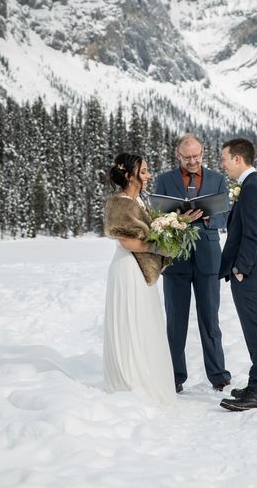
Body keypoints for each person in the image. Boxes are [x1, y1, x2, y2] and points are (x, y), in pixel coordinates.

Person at [154, 134, 231, 393]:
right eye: (187, 157)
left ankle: (218, 375)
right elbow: (156, 217)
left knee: (210, 320)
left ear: (203, 152)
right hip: (176, 258)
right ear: (178, 155)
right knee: (175, 321)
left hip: (208, 258)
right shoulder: (164, 180)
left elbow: (225, 216)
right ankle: (174, 376)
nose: (192, 161)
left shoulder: (217, 179)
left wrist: (208, 219)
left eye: (196, 156)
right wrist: (177, 220)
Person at [103, 152, 176, 405]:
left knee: (144, 322)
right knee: (130, 322)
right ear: (129, 175)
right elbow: (127, 241)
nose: (148, 175)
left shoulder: (140, 201)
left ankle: (145, 374)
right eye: (143, 171)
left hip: (140, 270)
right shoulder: (120, 202)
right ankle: (131, 379)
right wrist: (161, 248)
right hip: (127, 269)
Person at [218, 138, 257, 411]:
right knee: (253, 328)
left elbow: (252, 234)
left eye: (225, 159)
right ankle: (255, 384)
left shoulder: (252, 188)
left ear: (238, 159)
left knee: (256, 329)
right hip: (249, 270)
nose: (223, 165)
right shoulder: (253, 185)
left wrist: (241, 269)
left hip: (248, 272)